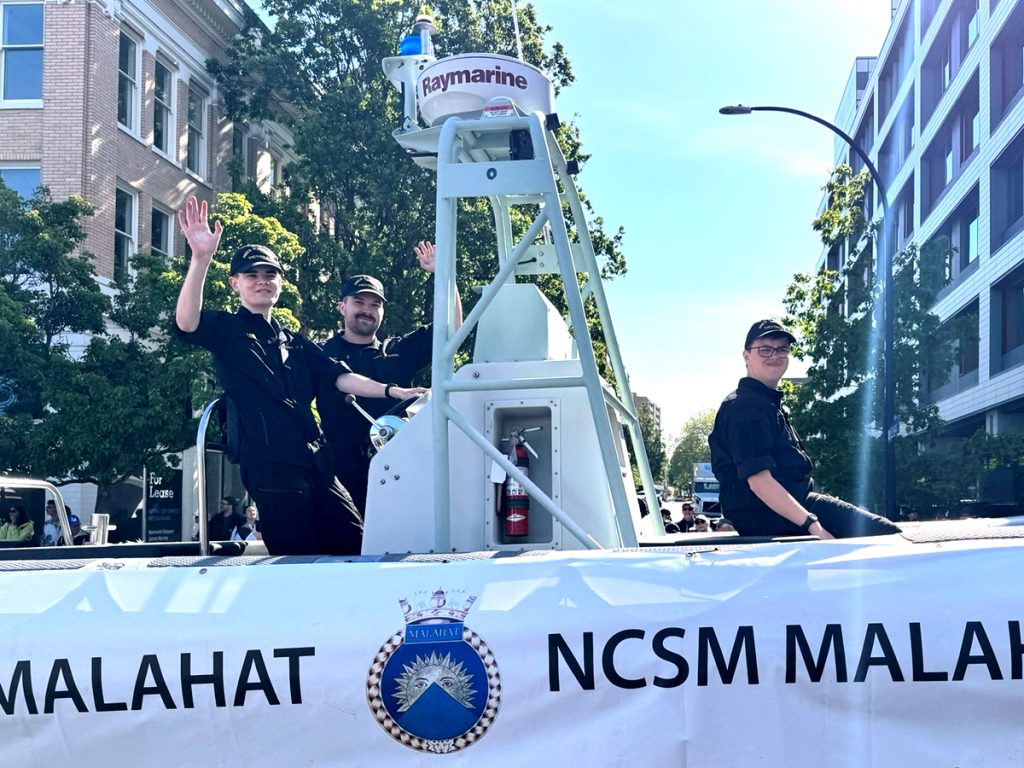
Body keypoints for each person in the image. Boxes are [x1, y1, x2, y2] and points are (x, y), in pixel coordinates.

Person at [172, 197, 425, 556]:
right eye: (252, 275)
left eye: (270, 275)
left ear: (279, 283)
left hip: (316, 460)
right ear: (234, 283)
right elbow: (187, 323)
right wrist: (200, 258)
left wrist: (393, 391)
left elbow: (341, 377)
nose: (262, 281)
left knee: (354, 543)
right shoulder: (226, 330)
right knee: (296, 556)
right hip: (271, 465)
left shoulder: (294, 340)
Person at [709, 319, 901, 540]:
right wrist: (812, 524)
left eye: (782, 349)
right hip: (770, 514)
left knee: (884, 537)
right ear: (746, 356)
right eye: (765, 349)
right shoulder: (747, 407)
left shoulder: (765, 403)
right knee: (887, 537)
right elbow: (759, 481)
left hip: (786, 507)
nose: (775, 355)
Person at [318, 241, 462, 515]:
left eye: (375, 304)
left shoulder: (397, 351)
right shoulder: (322, 353)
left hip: (400, 474)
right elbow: (343, 379)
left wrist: (444, 274)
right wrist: (395, 391)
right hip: (340, 480)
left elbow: (451, 328)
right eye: (359, 302)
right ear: (341, 307)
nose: (367, 310)